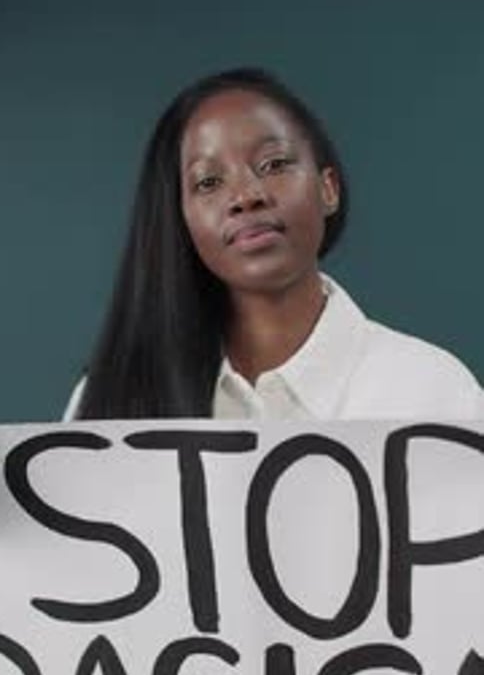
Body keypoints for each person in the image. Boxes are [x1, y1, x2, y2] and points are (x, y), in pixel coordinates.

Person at [64, 67, 482, 422]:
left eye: (275, 164)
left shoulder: (432, 391)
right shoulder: (109, 401)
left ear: (328, 189)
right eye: (208, 182)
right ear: (180, 219)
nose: (246, 196)